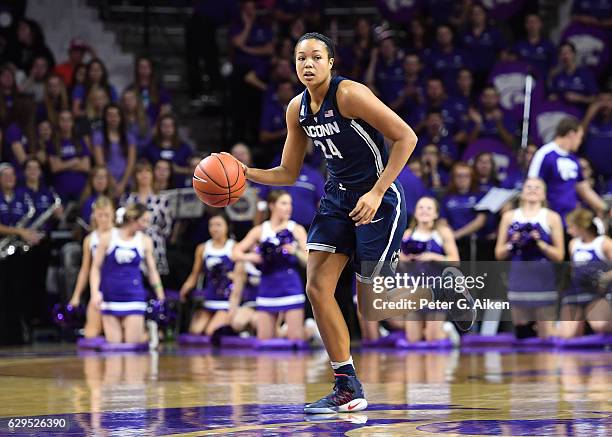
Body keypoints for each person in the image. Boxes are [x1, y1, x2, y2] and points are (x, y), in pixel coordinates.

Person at [229, 33, 476, 414]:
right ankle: (346, 385)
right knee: (317, 288)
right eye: (300, 58)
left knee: (372, 304)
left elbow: (406, 137)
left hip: (378, 197)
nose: (307, 64)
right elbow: (288, 172)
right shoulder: (297, 109)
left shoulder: (349, 95)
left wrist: (377, 191)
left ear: (331, 62)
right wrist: (244, 173)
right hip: (336, 198)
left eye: (315, 57)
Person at [495, 178, 565, 339]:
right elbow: (498, 254)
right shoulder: (509, 216)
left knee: (545, 333)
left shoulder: (552, 217)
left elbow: (559, 255)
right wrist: (513, 243)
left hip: (543, 278)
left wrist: (540, 243)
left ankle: (546, 364)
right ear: (522, 192)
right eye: (529, 187)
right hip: (519, 277)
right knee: (522, 332)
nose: (533, 190)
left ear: (544, 194)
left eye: (537, 187)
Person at [233, 190, 307, 341]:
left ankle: (311, 331)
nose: (289, 207)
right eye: (284, 203)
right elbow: (235, 253)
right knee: (264, 341)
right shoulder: (260, 230)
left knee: (295, 340)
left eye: (290, 204)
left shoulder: (296, 229)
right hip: (267, 286)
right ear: (272, 205)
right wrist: (252, 257)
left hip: (290, 286)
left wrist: (295, 252)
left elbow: (309, 260)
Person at [90, 202, 164, 344]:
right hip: (110, 297)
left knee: (131, 345)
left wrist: (159, 293)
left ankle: (149, 332)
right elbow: (95, 268)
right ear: (132, 219)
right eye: (144, 221)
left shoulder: (144, 241)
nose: (146, 225)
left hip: (134, 297)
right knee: (115, 346)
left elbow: (152, 270)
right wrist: (95, 292)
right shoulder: (107, 238)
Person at [400, 196, 460, 343]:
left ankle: (447, 332)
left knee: (433, 338)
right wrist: (405, 260)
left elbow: (455, 260)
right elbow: (398, 261)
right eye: (420, 207)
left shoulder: (442, 232)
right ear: (415, 212)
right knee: (412, 339)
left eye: (429, 208)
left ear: (436, 214)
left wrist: (433, 257)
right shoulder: (408, 234)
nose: (424, 211)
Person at [527, 117, 609, 225]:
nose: (580, 142)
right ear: (571, 134)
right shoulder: (545, 154)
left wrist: (605, 208)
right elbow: (532, 184)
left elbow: (584, 189)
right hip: (549, 219)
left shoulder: (573, 159)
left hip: (571, 221)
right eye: (580, 137)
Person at [558, 208, 612, 337]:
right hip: (577, 293)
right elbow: (573, 269)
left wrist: (605, 277)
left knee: (600, 325)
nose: (568, 231)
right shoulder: (573, 244)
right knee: (566, 335)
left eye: (571, 227)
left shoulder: (604, 243)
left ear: (581, 226)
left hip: (597, 294)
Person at [179, 214, 235, 336]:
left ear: (227, 227)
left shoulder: (234, 247)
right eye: (211, 225)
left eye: (219, 225)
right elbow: (195, 274)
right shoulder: (203, 248)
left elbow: (241, 276)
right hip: (209, 299)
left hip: (226, 302)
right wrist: (185, 289)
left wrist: (229, 276)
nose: (215, 229)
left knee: (211, 332)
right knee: (195, 331)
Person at [69, 196, 114, 338]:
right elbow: (85, 269)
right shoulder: (90, 239)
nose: (104, 219)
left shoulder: (119, 234)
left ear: (113, 213)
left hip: (117, 284)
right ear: (94, 215)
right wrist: (76, 295)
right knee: (90, 334)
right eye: (100, 215)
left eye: (107, 215)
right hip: (98, 287)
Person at [91, 103, 136, 197]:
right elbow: (100, 163)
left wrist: (123, 183)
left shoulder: (129, 136)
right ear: (105, 117)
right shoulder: (98, 137)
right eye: (110, 115)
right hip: (107, 182)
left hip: (127, 182)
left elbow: (131, 162)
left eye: (116, 115)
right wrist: (113, 184)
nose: (113, 118)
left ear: (121, 117)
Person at [46, 110, 91, 202]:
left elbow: (86, 167)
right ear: (58, 122)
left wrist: (63, 165)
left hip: (80, 189)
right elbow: (55, 167)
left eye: (68, 120)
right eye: (62, 120)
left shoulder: (80, 141)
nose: (65, 123)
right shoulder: (53, 142)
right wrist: (74, 161)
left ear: (72, 123)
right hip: (61, 189)